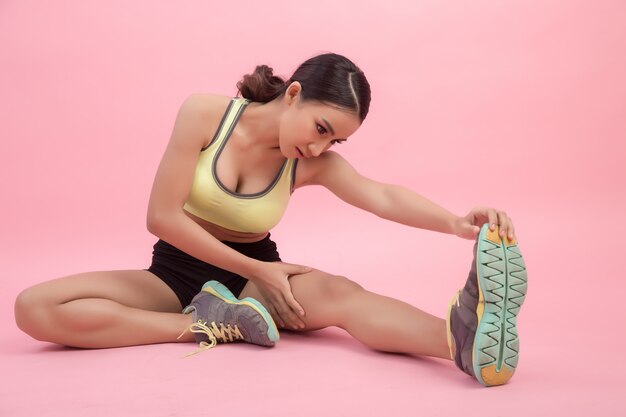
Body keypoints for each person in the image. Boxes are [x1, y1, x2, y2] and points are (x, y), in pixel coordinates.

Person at [14, 53, 527, 387]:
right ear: (295, 93)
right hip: (175, 274)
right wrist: (254, 274)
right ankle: (204, 326)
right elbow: (162, 217)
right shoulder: (204, 116)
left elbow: (380, 196)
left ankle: (463, 340)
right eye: (321, 128)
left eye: (335, 141)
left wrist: (458, 223)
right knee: (35, 308)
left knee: (344, 295)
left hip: (256, 285)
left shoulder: (309, 163)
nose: (320, 146)